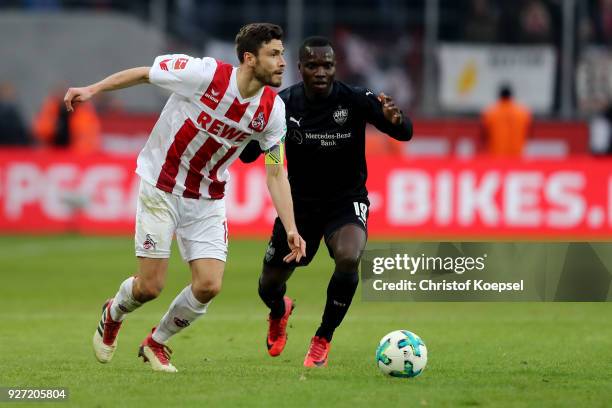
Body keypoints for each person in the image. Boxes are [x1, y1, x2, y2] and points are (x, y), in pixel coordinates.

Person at [63, 23, 306, 373]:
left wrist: (291, 226)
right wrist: (93, 88)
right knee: (149, 287)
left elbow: (275, 170)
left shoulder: (273, 112)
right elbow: (146, 74)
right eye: (274, 54)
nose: (283, 62)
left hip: (207, 200)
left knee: (209, 285)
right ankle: (113, 312)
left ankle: (156, 343)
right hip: (161, 187)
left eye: (283, 53)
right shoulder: (204, 75)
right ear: (250, 59)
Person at [240, 36, 413, 367]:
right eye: (313, 65)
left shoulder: (356, 99)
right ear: (300, 68)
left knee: (349, 257)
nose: (321, 71)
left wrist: (397, 120)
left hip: (345, 201)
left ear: (336, 68)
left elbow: (405, 132)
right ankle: (279, 311)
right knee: (269, 285)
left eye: (328, 65)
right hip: (299, 207)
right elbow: (249, 154)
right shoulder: (283, 104)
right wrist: (251, 129)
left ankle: (323, 337)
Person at [34, 86, 101, 154]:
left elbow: (86, 140)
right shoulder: (51, 110)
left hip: (74, 154)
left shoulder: (83, 112)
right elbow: (40, 131)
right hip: (52, 151)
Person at [481, 84, 532, 157]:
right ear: (511, 96)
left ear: (499, 96)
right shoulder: (523, 112)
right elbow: (528, 133)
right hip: (517, 155)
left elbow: (484, 135)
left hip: (496, 155)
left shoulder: (490, 112)